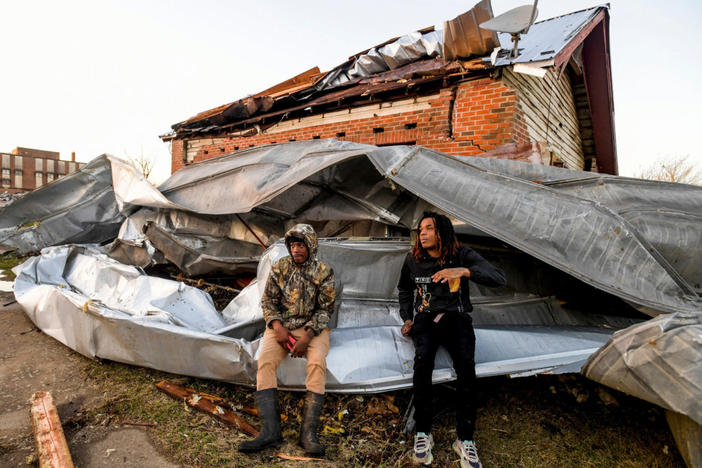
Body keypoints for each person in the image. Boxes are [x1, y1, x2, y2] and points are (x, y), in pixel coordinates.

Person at [398, 212, 506, 468]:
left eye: (428, 229)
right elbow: (404, 289)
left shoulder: (461, 254)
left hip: (456, 318)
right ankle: (424, 433)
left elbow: (499, 278)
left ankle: (465, 439)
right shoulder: (413, 259)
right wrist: (407, 317)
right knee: (422, 366)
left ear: (442, 232)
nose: (422, 234)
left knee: (466, 369)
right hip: (425, 319)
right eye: (420, 230)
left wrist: (465, 271)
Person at [239, 224, 335, 456]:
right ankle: (271, 432)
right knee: (265, 363)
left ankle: (307, 435)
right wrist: (277, 327)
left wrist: (308, 336)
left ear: (310, 246)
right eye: (292, 245)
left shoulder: (324, 271)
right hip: (281, 328)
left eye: (301, 244)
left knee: (316, 363)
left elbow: (325, 309)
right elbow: (268, 302)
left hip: (313, 331)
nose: (296, 249)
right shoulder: (280, 267)